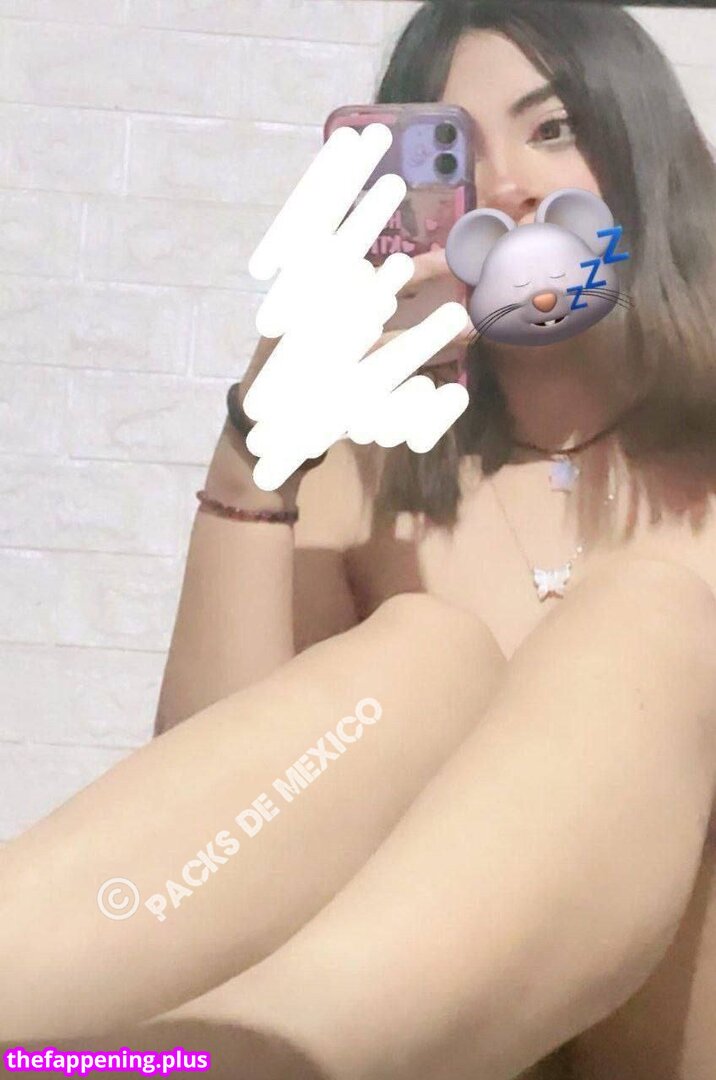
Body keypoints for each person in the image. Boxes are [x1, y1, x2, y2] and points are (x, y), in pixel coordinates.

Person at [2, 2, 716, 1078]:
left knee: (648, 616)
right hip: (421, 1041)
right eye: (456, 155)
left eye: (552, 129)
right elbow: (217, 825)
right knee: (426, 652)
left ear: (644, 154)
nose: (507, 186)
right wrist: (257, 451)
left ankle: (269, 1056)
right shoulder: (362, 475)